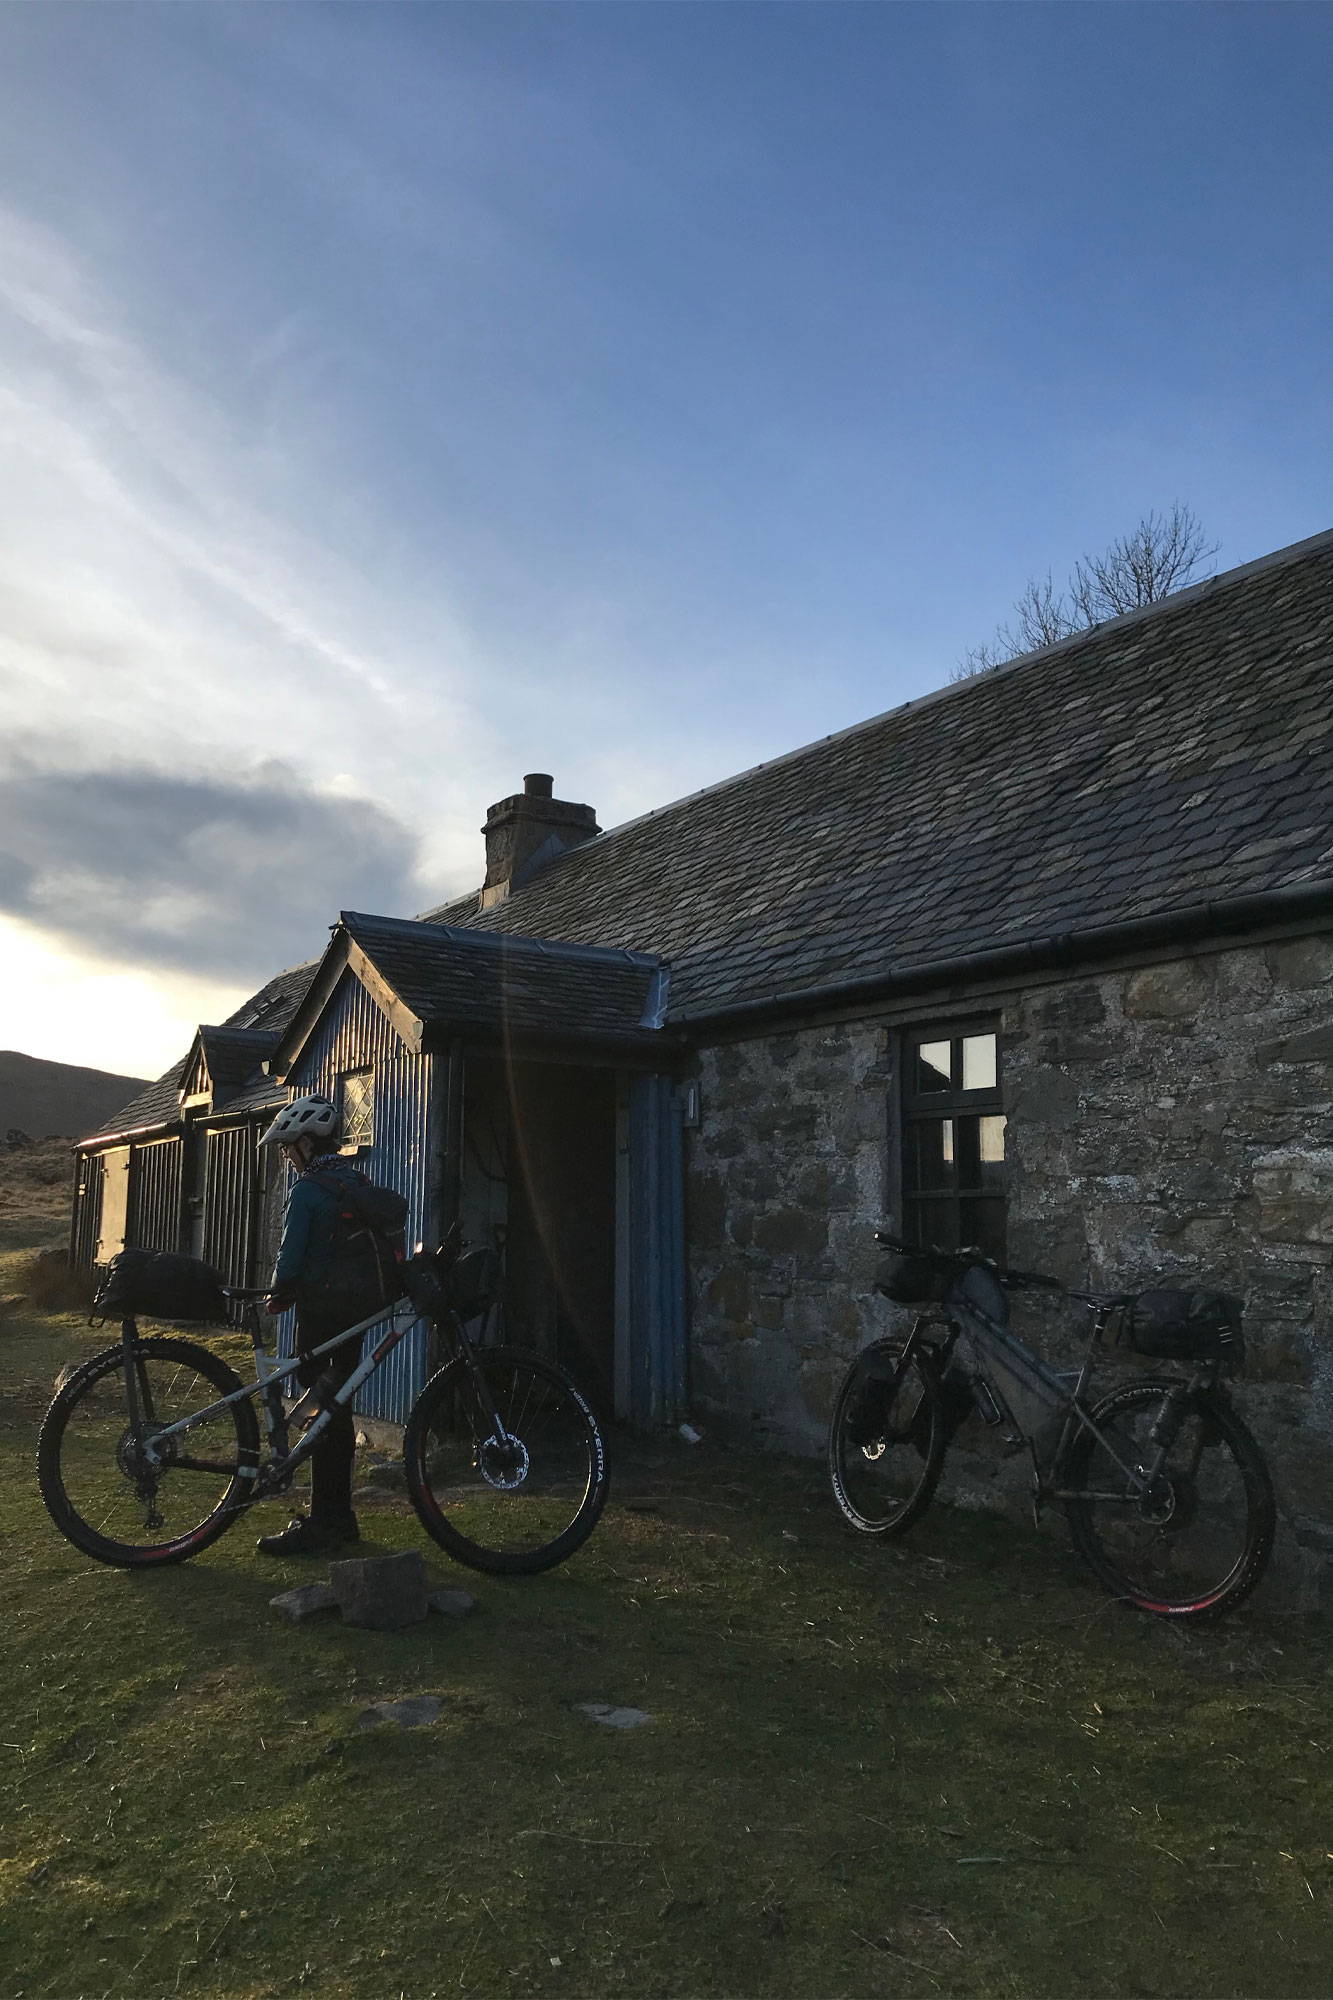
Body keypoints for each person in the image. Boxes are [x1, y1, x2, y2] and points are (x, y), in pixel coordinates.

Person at [255, 1093, 382, 1557]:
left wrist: (277, 1295)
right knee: (337, 1409)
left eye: (288, 1147)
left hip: (319, 1313)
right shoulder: (357, 1180)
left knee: (322, 1409)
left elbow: (290, 1256)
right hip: (358, 1312)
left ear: (307, 1142)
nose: (287, 1156)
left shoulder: (308, 1188)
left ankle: (326, 1521)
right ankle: (338, 1517)